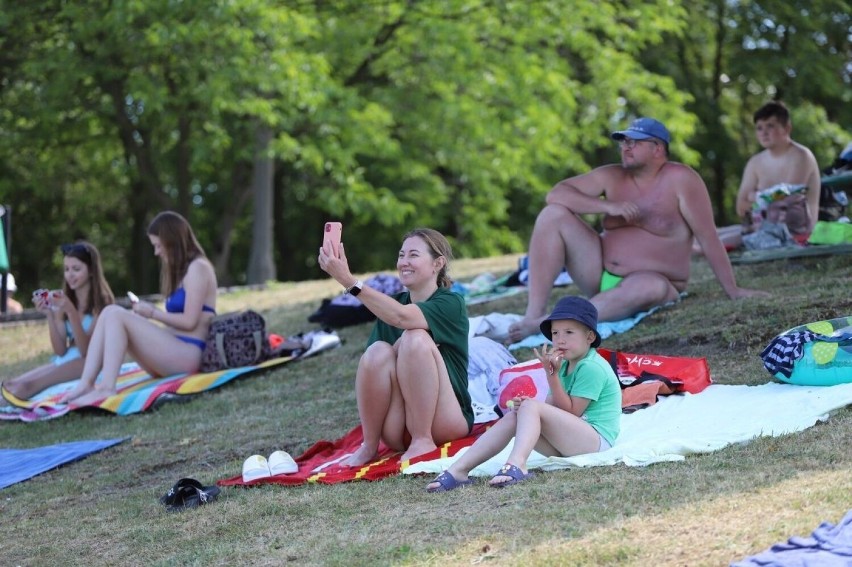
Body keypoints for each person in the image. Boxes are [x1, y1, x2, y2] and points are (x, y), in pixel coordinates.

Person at [507, 117, 769, 343]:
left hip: (656, 282)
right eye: (623, 142)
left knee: (650, 287)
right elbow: (557, 194)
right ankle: (534, 315)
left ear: (657, 148)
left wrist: (733, 290)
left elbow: (708, 237)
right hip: (599, 274)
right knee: (552, 215)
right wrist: (608, 207)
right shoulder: (611, 175)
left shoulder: (681, 179)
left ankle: (557, 322)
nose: (626, 147)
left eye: (634, 142)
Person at [426, 296, 620, 491]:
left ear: (590, 337)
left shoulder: (591, 367)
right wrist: (527, 407)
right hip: (569, 442)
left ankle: (517, 463)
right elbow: (553, 404)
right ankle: (458, 470)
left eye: (569, 332)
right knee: (515, 416)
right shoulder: (564, 365)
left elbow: (572, 412)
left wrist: (549, 376)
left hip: (595, 442)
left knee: (531, 407)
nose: (560, 339)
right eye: (555, 333)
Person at [317, 227, 473, 466]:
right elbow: (375, 367)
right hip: (398, 432)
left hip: (446, 422)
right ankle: (369, 446)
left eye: (413, 255)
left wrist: (348, 281)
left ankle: (423, 439)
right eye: (401, 255)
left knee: (414, 338)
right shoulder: (392, 307)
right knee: (376, 351)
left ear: (438, 263)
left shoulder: (451, 302)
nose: (404, 262)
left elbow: (403, 318)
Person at [58, 211, 218, 405]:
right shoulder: (183, 271)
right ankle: (86, 383)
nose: (156, 252)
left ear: (173, 241)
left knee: (116, 314)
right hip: (171, 352)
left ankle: (107, 388)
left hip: (188, 354)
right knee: (110, 312)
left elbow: (190, 321)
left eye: (159, 245)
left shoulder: (198, 268)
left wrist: (152, 313)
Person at [1, 242, 114, 403]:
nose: (70, 275)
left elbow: (86, 351)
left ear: (91, 271)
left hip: (89, 362)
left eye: (76, 269)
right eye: (66, 269)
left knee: (26, 387)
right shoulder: (65, 301)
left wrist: (71, 312)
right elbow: (60, 350)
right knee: (12, 383)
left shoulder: (103, 304)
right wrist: (50, 315)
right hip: (66, 359)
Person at [716, 101, 822, 249]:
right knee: (707, 234)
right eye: (759, 128)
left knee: (711, 244)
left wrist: (755, 196)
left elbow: (785, 207)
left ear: (787, 128)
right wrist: (767, 200)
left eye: (770, 126)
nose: (763, 132)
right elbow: (741, 208)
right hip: (759, 227)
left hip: (795, 232)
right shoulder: (755, 162)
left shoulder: (801, 156)